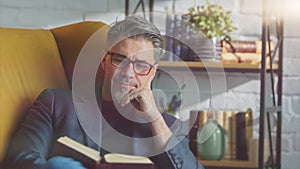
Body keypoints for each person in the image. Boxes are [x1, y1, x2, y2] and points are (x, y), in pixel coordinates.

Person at [6, 15, 204, 169]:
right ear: (104, 60)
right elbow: (20, 160)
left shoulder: (168, 127)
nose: (128, 73)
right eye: (120, 59)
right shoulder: (55, 104)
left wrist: (154, 119)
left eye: (141, 65)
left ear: (152, 72)